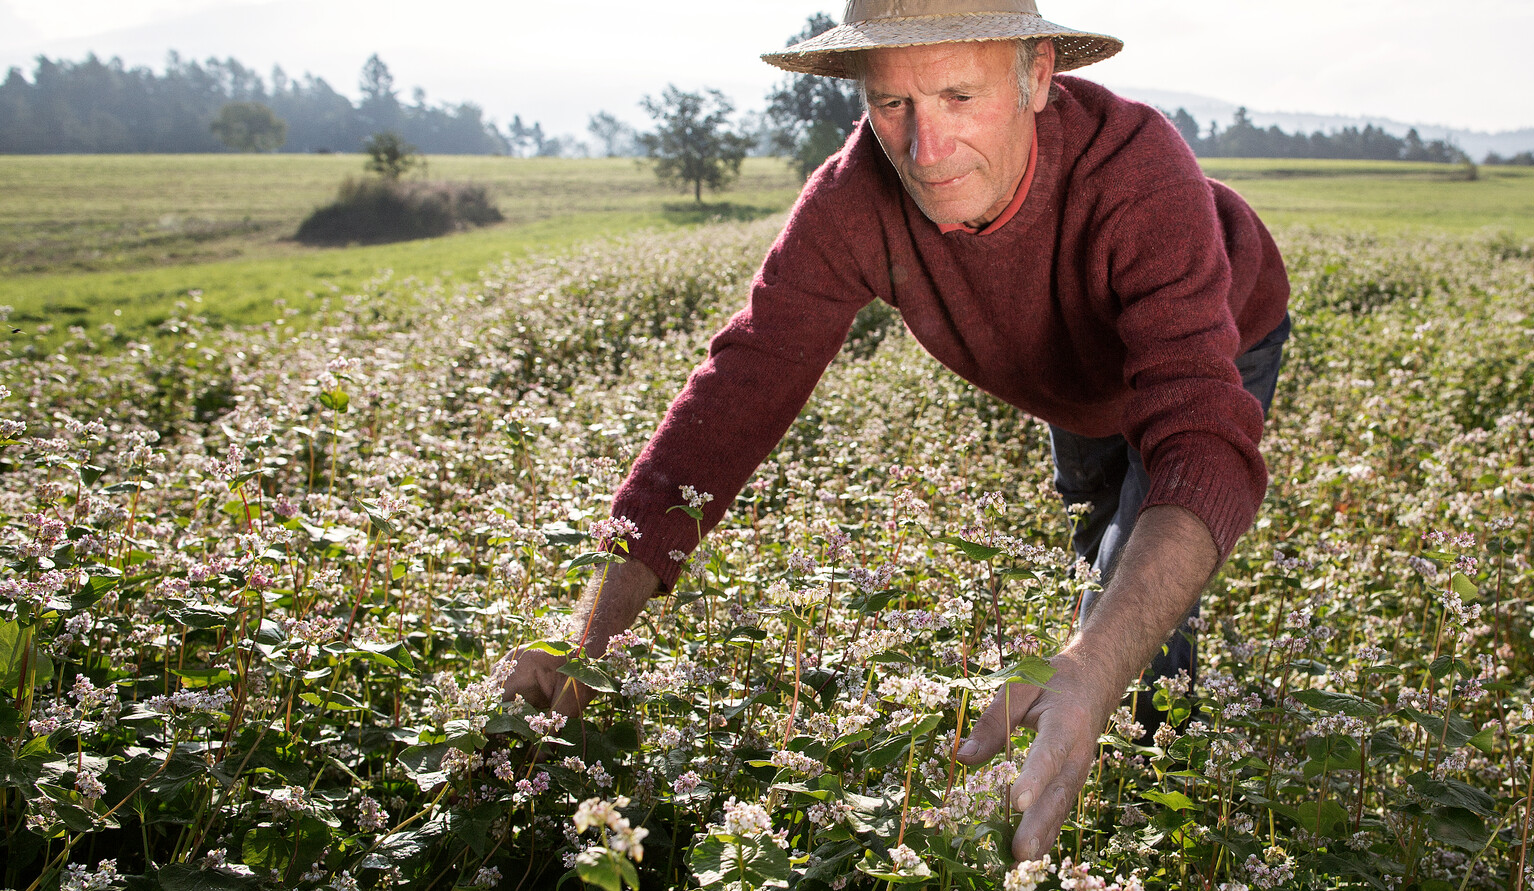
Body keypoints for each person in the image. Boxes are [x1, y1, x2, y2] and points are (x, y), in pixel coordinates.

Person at [502, 0, 1291, 863]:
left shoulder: (1138, 173)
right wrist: (586, 640)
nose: (926, 149)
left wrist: (1096, 664)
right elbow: (742, 385)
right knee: (1095, 531)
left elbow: (1201, 439)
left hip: (1220, 337)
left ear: (1038, 74)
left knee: (1127, 575)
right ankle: (1097, 684)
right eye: (892, 106)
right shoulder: (853, 201)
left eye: (958, 95)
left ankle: (1149, 784)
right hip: (1070, 379)